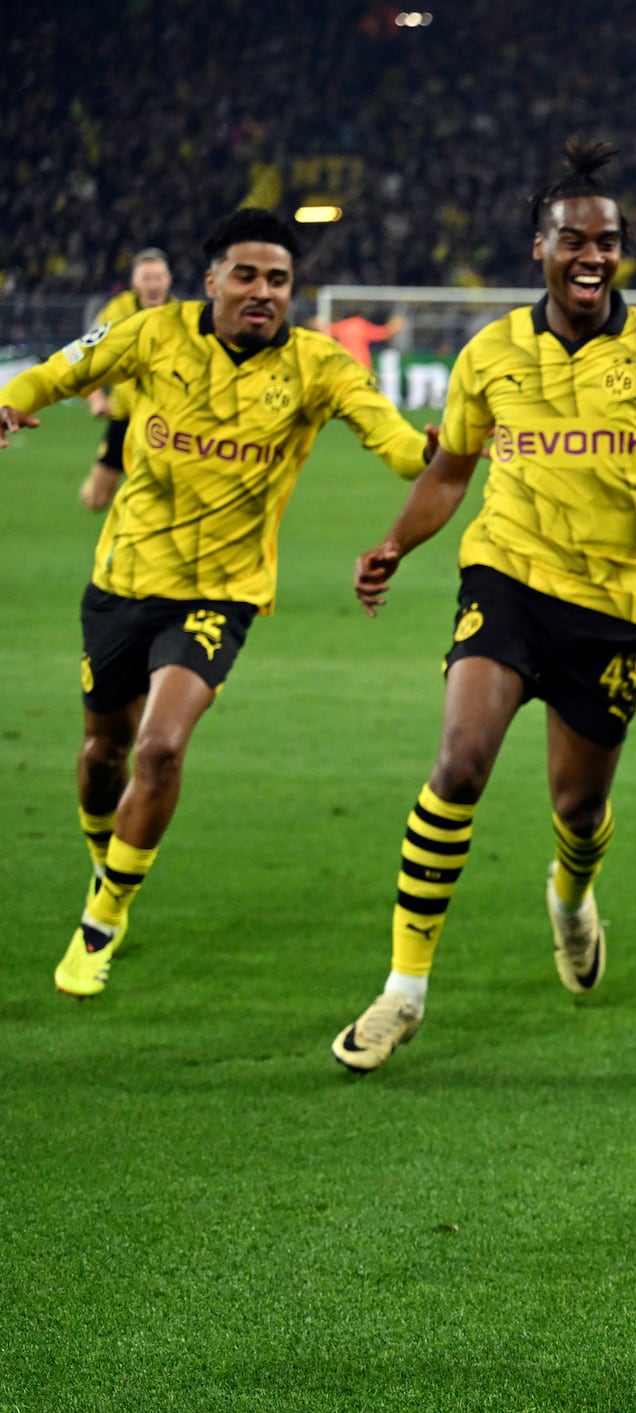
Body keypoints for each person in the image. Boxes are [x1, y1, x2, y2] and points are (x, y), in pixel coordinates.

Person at [329, 143, 636, 1073]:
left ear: (622, 251)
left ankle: (570, 896)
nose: (590, 255)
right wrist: (396, 542)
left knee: (579, 803)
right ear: (539, 249)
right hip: (506, 577)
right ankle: (403, 991)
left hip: (617, 604)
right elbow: (449, 472)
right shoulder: (490, 353)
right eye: (572, 240)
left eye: (607, 241)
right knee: (460, 762)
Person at [0, 211, 431, 997]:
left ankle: (102, 920)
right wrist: (10, 400)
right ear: (212, 281)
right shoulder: (153, 334)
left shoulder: (318, 365)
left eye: (278, 281)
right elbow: (55, 372)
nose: (263, 292)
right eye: (247, 275)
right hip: (124, 579)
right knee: (104, 753)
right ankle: (107, 852)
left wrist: (432, 450)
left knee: (161, 747)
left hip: (221, 592)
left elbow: (394, 443)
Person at [77, 248, 174, 512]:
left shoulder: (181, 317)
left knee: (164, 501)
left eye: (158, 277)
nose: (153, 284)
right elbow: (87, 360)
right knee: (96, 501)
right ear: (134, 282)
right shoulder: (116, 312)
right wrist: (96, 398)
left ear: (169, 280)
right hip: (125, 417)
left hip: (168, 421)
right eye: (147, 277)